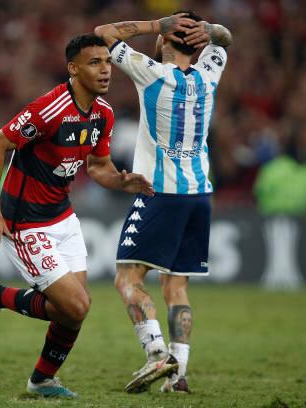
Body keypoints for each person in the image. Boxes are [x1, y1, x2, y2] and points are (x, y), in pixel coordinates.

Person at [0, 33, 154, 399]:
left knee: (71, 311)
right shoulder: (49, 108)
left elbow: (98, 166)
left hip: (62, 217)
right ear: (73, 69)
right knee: (77, 305)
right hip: (24, 221)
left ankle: (41, 380)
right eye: (94, 63)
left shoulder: (103, 113)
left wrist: (120, 181)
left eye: (107, 62)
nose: (105, 70)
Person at [95, 11, 232, 393]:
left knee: (128, 278)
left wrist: (156, 24)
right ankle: (179, 375)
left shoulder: (151, 71)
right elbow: (224, 40)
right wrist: (211, 32)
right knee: (176, 287)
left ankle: (156, 353)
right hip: (200, 194)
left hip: (159, 192)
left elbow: (103, 33)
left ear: (166, 40)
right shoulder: (210, 72)